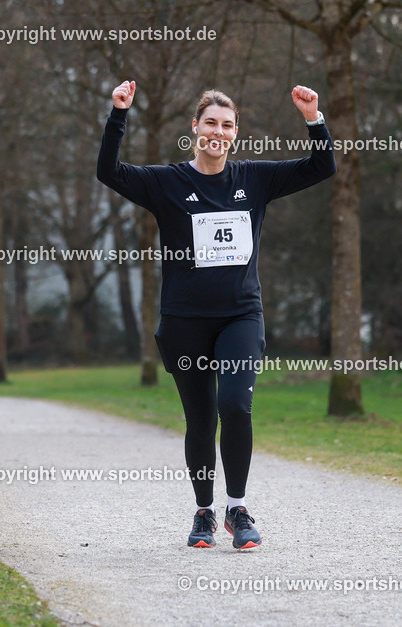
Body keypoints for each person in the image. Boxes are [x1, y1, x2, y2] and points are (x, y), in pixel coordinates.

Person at [97, 80, 336, 549]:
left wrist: (314, 118)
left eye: (227, 125)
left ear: (235, 133)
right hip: (185, 322)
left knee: (236, 406)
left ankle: (237, 508)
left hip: (240, 317)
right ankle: (204, 513)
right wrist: (118, 113)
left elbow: (321, 166)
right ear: (195, 127)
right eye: (211, 123)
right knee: (202, 421)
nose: (218, 132)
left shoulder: (255, 179)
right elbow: (109, 171)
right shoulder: (167, 183)